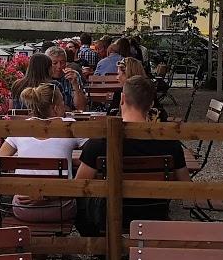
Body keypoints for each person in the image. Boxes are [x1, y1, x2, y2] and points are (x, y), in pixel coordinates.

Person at [75, 75, 189, 225]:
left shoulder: (100, 143)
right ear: (152, 103)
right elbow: (186, 185)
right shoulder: (169, 143)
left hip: (108, 217)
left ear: (122, 98)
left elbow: (79, 186)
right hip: (155, 214)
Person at [0, 83, 84, 226]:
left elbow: (0, 159)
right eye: (62, 102)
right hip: (60, 209)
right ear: (55, 108)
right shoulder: (70, 125)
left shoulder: (21, 128)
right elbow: (93, 158)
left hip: (23, 208)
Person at [45, 45, 88, 112]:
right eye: (55, 63)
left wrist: (75, 85)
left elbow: (81, 107)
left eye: (62, 62)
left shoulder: (73, 75)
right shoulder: (43, 77)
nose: (59, 66)